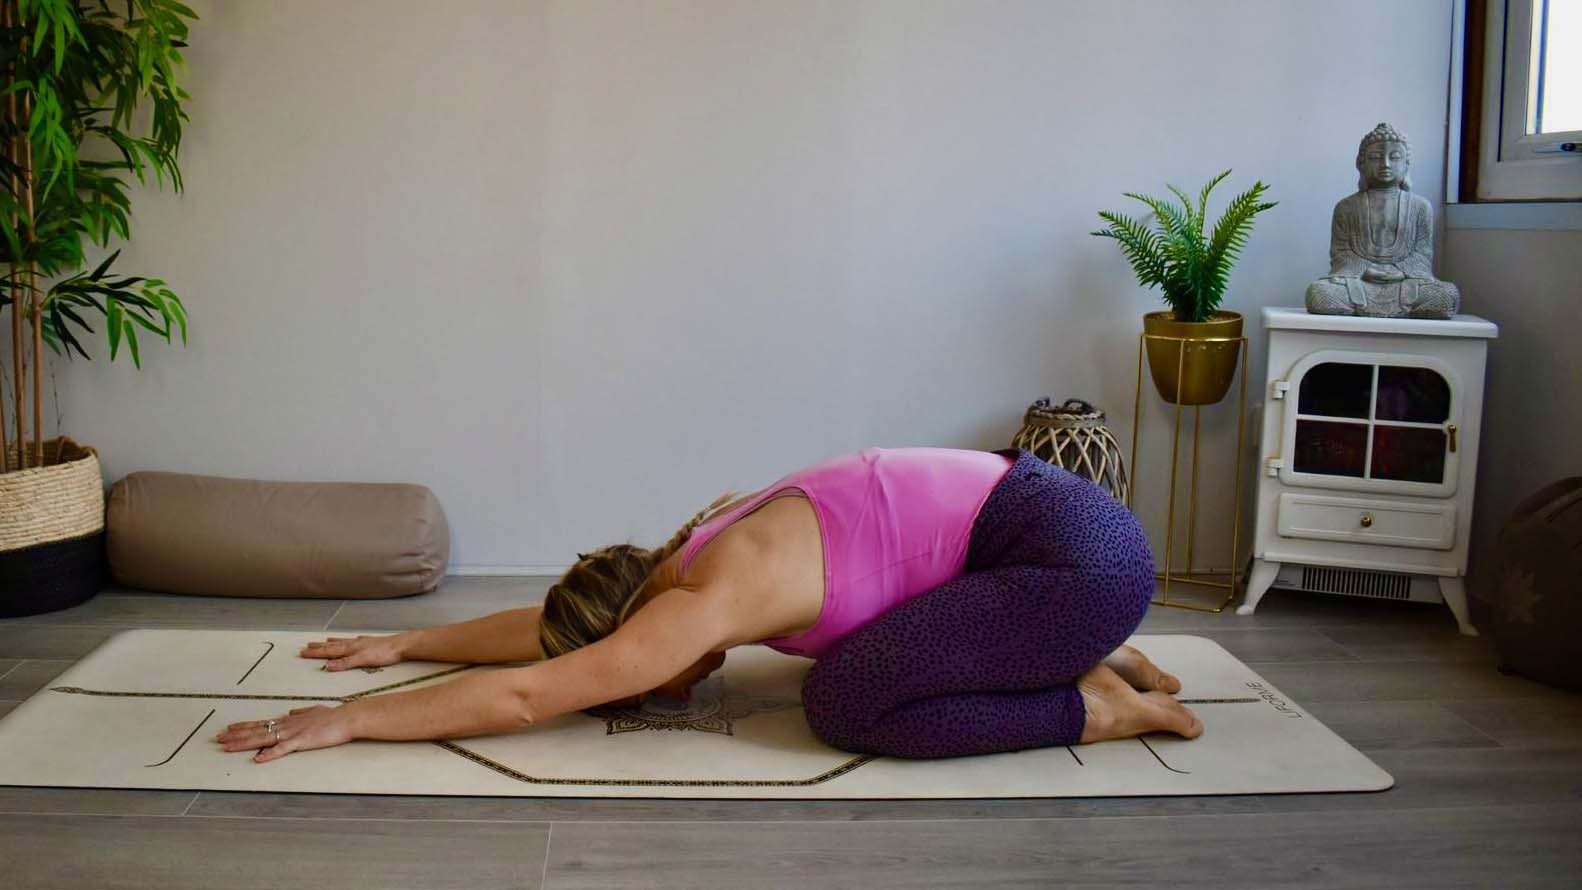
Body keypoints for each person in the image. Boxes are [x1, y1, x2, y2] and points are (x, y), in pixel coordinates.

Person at [216, 447, 1203, 763]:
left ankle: (1097, 702)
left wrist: (347, 723)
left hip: (1083, 567)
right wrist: (410, 640)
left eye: (643, 683)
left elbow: (531, 691)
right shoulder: (684, 550)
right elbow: (560, 635)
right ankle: (1094, 652)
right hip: (1063, 531)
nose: (661, 690)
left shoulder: (701, 603)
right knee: (876, 648)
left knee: (847, 699)